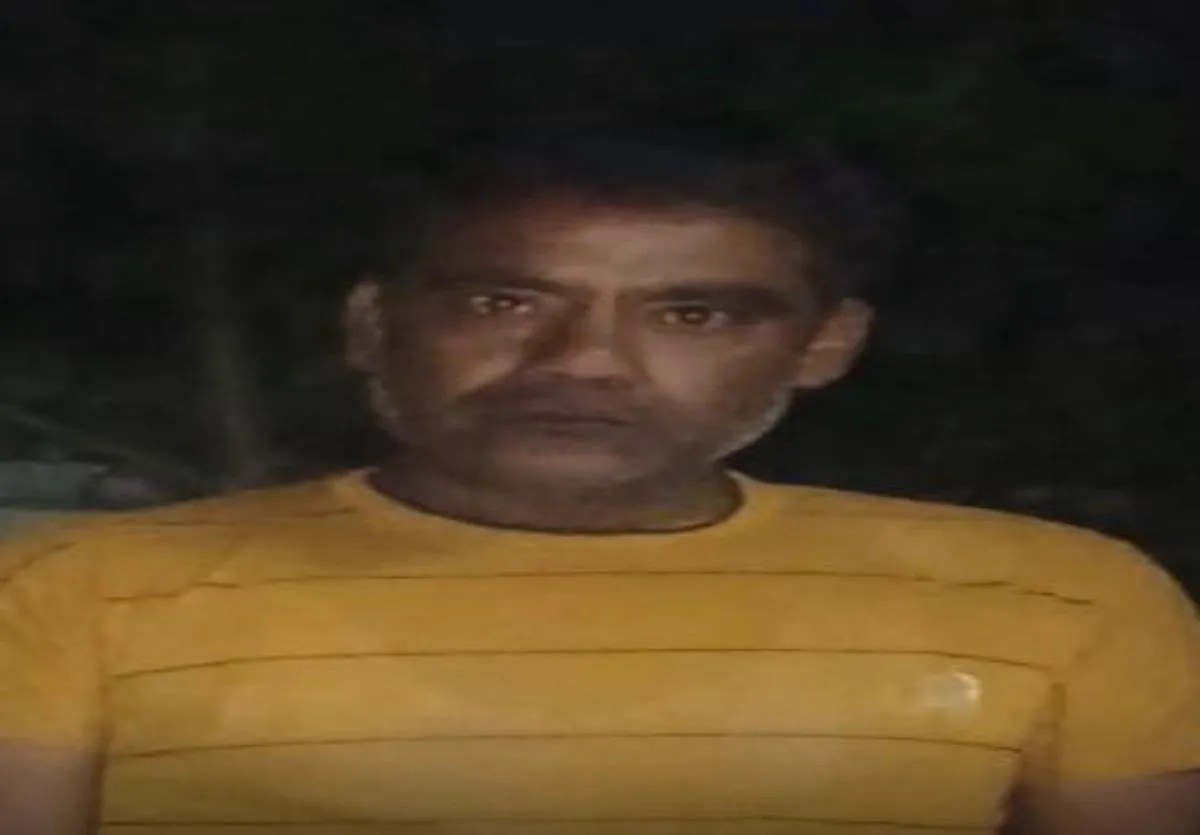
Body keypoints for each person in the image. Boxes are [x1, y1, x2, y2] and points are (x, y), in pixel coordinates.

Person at [1, 129, 1198, 835]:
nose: (582, 362)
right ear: (373, 326)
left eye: (691, 314)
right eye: (504, 302)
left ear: (824, 345)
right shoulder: (76, 591)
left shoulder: (1060, 597)